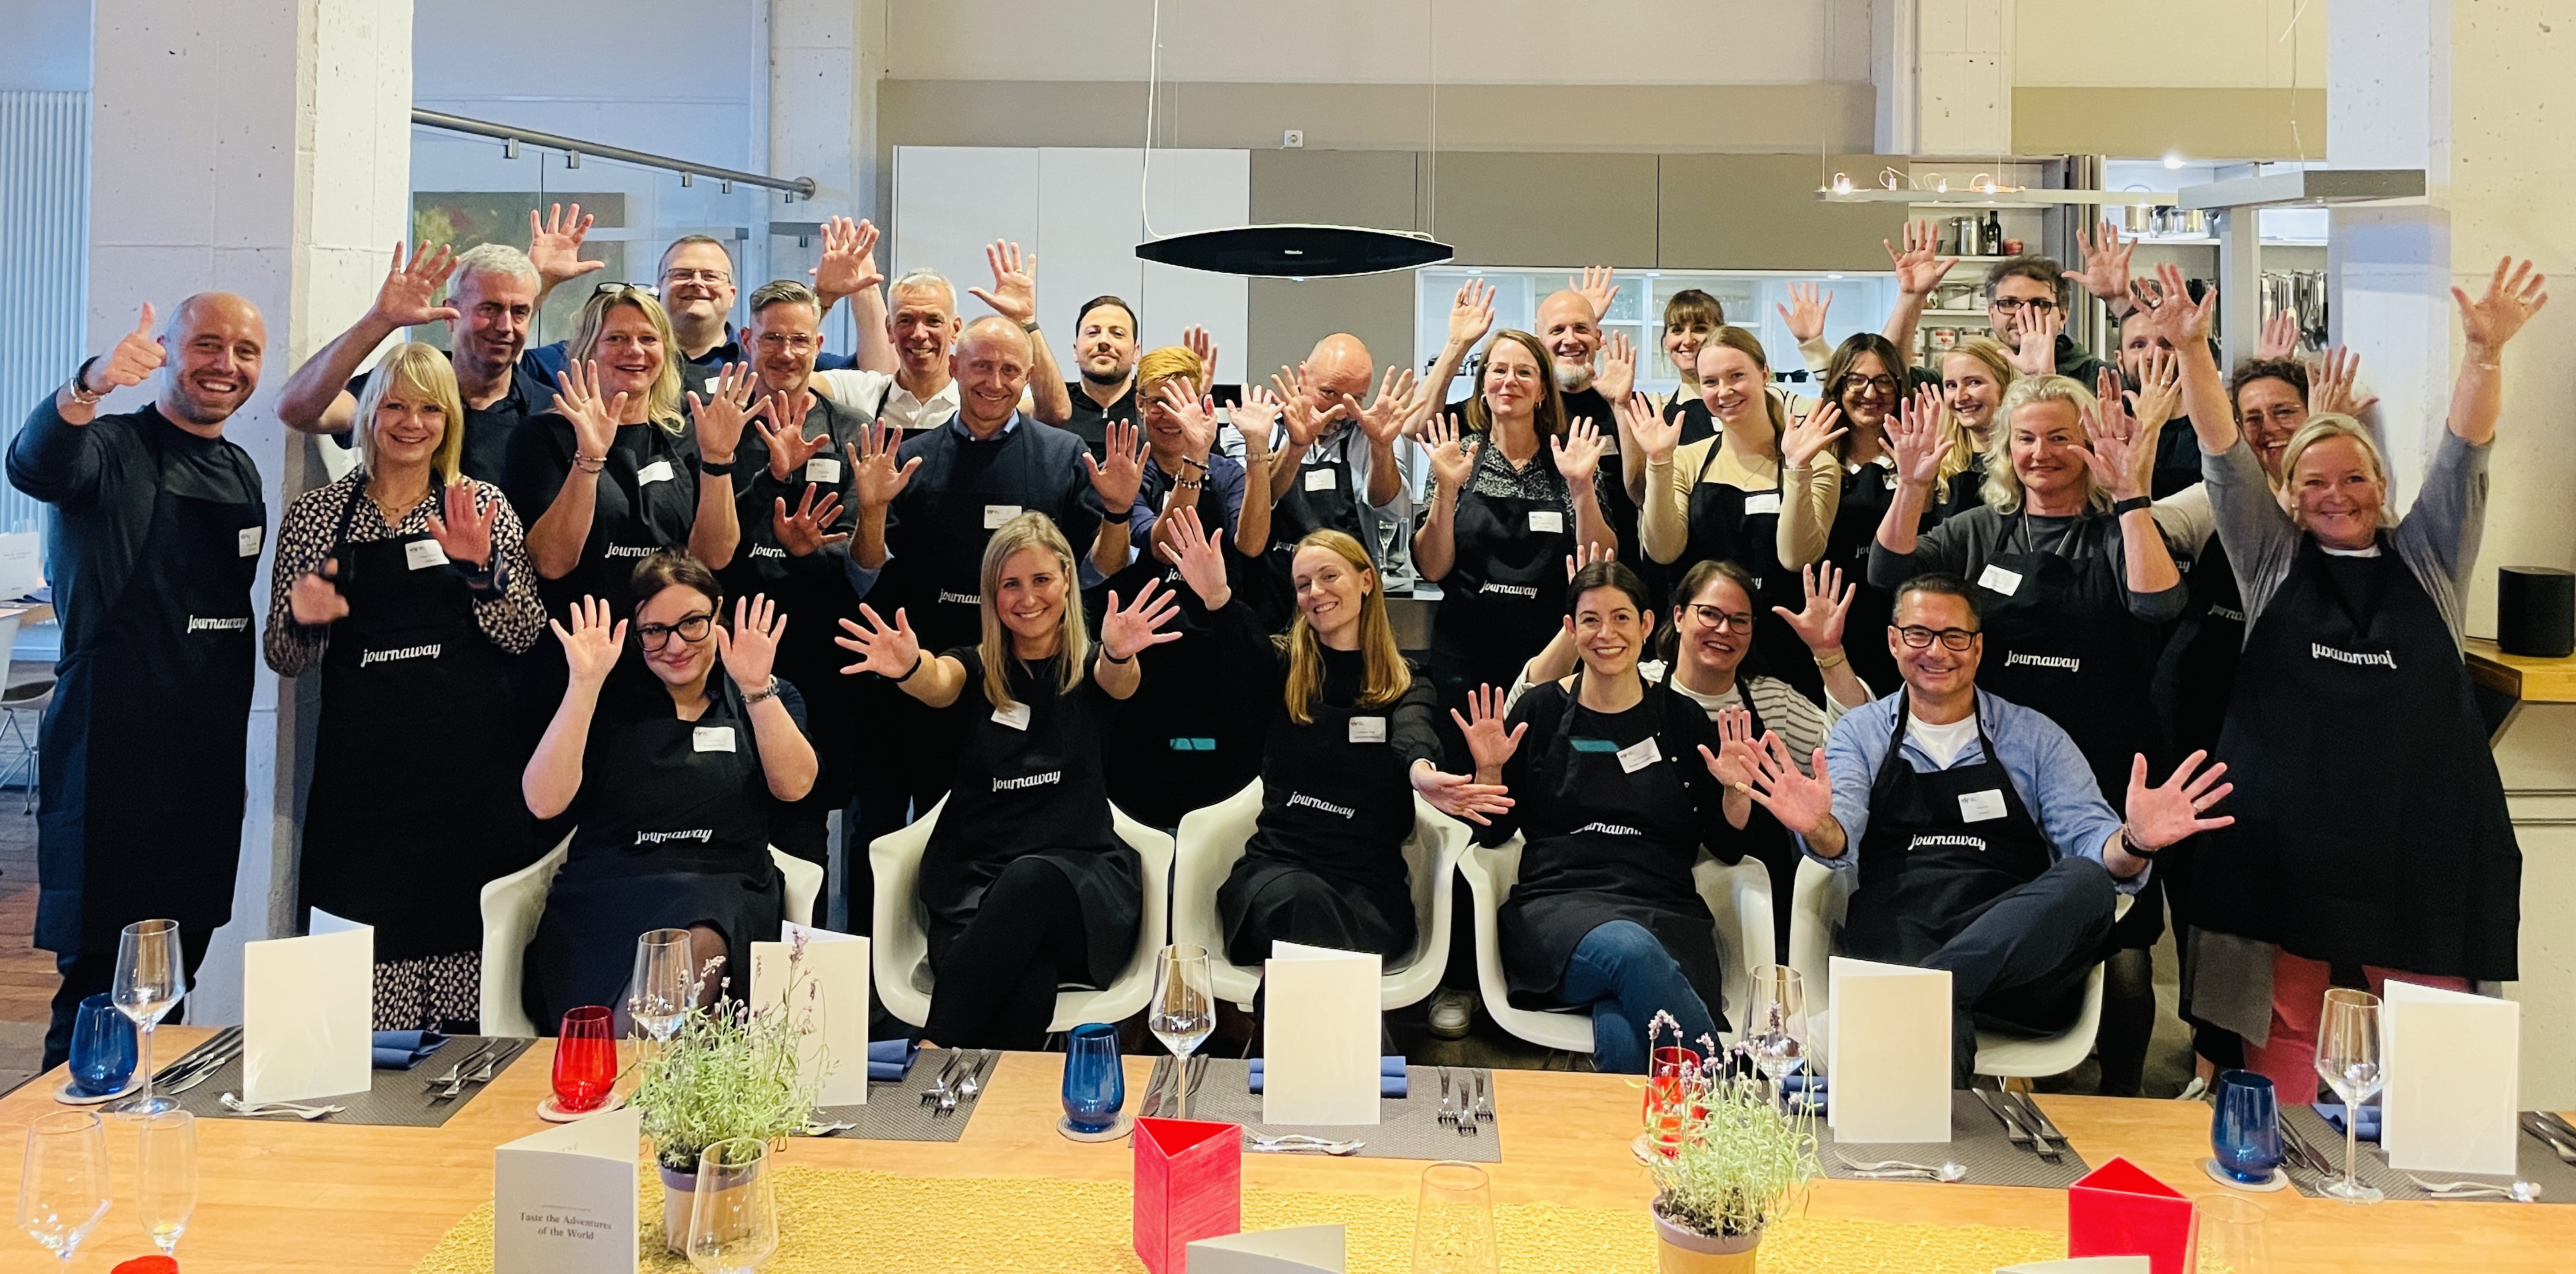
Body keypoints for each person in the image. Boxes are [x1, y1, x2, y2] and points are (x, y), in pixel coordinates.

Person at [2137, 257, 2541, 1102]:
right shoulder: (2268, 559)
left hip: (2416, 851)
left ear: (2380, 484)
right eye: (2313, 481)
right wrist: (2193, 352)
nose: (2335, 495)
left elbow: (2464, 454)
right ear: (2286, 494)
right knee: (2286, 1059)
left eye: (2353, 478)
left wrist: (2483, 354)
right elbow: (2221, 454)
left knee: (2433, 1078)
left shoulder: (2428, 559)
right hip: (2285, 852)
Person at [1740, 572, 2234, 1086]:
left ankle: (1920, 992)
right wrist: (1816, 825)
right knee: (1938, 1014)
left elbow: (2094, 841)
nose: (1936, 651)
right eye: (1918, 634)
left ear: (1977, 648)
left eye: (1954, 637)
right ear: (1893, 641)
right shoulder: (1861, 733)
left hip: (2015, 966)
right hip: (1901, 938)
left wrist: (2135, 841)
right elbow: (1839, 835)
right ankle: (1932, 998)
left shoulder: (2033, 736)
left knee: (2087, 881)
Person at [1872, 369, 2191, 1095]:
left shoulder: (2117, 530)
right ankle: (1982, 1063)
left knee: (2124, 953)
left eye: (2058, 438)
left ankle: (2120, 1102)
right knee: (2009, 922)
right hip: (1999, 766)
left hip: (2104, 765)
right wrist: (1912, 487)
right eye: (2024, 439)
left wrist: (2131, 494)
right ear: (2004, 449)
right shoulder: (1977, 531)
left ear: (2089, 444)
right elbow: (1889, 572)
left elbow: (2158, 604)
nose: (2040, 454)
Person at [11, 294, 269, 1069]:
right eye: (208, 344)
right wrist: (86, 384)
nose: (226, 364)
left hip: (203, 769)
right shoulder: (109, 448)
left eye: (246, 351)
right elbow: (33, 463)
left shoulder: (240, 467)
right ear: (167, 350)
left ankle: (146, 1117)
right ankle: (71, 1128)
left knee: (171, 979)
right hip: (112, 759)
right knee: (99, 990)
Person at [265, 344, 545, 1030]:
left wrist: (481, 571)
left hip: (467, 782)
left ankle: (456, 1092)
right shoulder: (317, 516)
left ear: (449, 420)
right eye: (394, 405)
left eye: (429, 408)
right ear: (368, 413)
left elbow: (523, 634)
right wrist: (302, 619)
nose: (411, 423)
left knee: (468, 983)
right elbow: (283, 658)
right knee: (360, 988)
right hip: (362, 787)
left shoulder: (481, 506)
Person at [835, 513, 1182, 1049]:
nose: (1027, 598)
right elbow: (937, 681)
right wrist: (907, 669)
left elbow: (1119, 681)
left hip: (1079, 887)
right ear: (991, 595)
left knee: (1030, 879)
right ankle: (983, 1103)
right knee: (1025, 985)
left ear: (1066, 580)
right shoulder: (973, 667)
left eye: (1041, 579)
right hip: (974, 884)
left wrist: (1118, 650)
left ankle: (929, 1053)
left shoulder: (1094, 666)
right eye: (1010, 584)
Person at [1164, 514, 1507, 974]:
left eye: (1329, 576)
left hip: (1367, 891)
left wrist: (1421, 773)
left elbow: (1414, 733)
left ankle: (1288, 1020)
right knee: (1300, 904)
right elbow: (1243, 651)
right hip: (1276, 873)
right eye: (1303, 584)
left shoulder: (1406, 682)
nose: (1316, 592)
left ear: (1366, 581)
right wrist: (1218, 598)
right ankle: (1347, 1021)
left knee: (1314, 925)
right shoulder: (1283, 667)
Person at [1457, 561, 1756, 1074]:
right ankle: (1729, 1094)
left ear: (1645, 625)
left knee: (1624, 1027)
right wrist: (1488, 771)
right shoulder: (1539, 712)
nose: (1606, 634)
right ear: (1571, 630)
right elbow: (1494, 835)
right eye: (1590, 620)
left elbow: (1727, 849)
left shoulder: (1682, 720)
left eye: (1620, 618)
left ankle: (1643, 1130)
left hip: (1664, 910)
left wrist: (1735, 790)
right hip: (1557, 911)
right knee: (1630, 951)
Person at [1510, 554, 1874, 960]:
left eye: (1739, 620)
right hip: (1583, 889)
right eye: (1710, 614)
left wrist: (1829, 654)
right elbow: (1531, 715)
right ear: (1678, 616)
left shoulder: (1772, 703)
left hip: (1694, 889)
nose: (1723, 629)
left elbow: (1854, 739)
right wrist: (1588, 620)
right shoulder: (1632, 679)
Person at [844, 316, 1122, 835]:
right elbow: (866, 571)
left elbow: (1096, 570)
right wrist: (872, 509)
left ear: (1028, 376)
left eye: (1010, 370)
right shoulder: (908, 458)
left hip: (1027, 685)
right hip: (922, 671)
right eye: (981, 367)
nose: (995, 382)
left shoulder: (1062, 456)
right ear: (954, 367)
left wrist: (1119, 512)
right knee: (886, 834)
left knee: (1004, 829)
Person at [520, 557, 815, 1029]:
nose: (675, 645)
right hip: (608, 890)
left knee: (698, 938)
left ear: (717, 614)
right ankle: (638, 1063)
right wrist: (583, 685)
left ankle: (626, 1064)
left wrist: (756, 687)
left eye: (692, 623)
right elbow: (543, 802)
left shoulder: (760, 692)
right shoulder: (604, 695)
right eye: (655, 631)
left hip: (725, 883)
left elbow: (795, 787)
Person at [716, 280, 871, 866]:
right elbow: (703, 545)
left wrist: (808, 552)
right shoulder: (714, 425)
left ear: (819, 345)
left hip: (818, 649)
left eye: (799, 340)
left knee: (805, 830)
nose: (786, 352)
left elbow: (859, 552)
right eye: (772, 338)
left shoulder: (852, 430)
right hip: (726, 647)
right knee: (724, 806)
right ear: (747, 339)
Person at [1087, 351, 1276, 828]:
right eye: (1157, 401)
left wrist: (1256, 451)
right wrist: (1194, 462)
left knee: (1220, 796)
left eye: (1181, 400)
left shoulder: (1227, 473)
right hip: (1145, 654)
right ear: (1139, 403)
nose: (1169, 414)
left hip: (1217, 652)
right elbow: (1160, 545)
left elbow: (1251, 543)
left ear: (1201, 403)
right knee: (1143, 793)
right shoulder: (1128, 470)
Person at [1415, 329, 1616, 731]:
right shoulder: (1456, 456)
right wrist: (1446, 490)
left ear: (1542, 391)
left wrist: (1581, 487)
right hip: (1464, 654)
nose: (1510, 381)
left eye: (1524, 372)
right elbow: (1433, 568)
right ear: (1482, 386)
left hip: (1551, 653)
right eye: (1499, 370)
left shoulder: (1568, 458)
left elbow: (1600, 563)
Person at [1630, 328, 1843, 700]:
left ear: (1764, 373)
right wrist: (1659, 461)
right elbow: (1663, 551)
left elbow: (1797, 558)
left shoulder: (1817, 463)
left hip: (1784, 650)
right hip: (1701, 651)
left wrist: (1796, 468)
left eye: (1736, 376)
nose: (1724, 391)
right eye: (1710, 382)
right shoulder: (1685, 459)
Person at [274, 239, 555, 482]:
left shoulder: (550, 410)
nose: (505, 326)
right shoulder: (404, 386)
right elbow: (296, 410)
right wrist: (380, 320)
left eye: (519, 312)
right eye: (489, 309)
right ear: (450, 315)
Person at [818, 241, 1074, 430]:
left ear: (955, 329)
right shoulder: (859, 392)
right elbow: (793, 381)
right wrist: (823, 299)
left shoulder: (984, 395)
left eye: (933, 321)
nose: (919, 334)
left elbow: (1056, 413)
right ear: (889, 330)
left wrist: (1026, 322)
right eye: (906, 320)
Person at [1257, 332, 1418, 606]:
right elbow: (1253, 507)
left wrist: (1381, 447)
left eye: (1356, 398)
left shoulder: (1373, 434)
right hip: (1272, 594)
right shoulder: (1262, 429)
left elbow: (1393, 510)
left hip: (1348, 603)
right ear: (1302, 376)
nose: (1342, 411)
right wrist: (1296, 446)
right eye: (1329, 393)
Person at [1816, 334, 1919, 698]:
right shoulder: (1815, 457)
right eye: (1856, 380)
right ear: (1837, 386)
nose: (1870, 393)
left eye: (1883, 381)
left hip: (1900, 622)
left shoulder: (1919, 457)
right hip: (1832, 622)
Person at [1060, 295, 1140, 455]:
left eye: (1117, 334)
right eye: (1092, 333)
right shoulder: (1053, 405)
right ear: (1075, 350)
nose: (1104, 342)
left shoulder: (1152, 408)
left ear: (1136, 352)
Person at [1655, 288, 1723, 446]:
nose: (1687, 340)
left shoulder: (1747, 402)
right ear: (1665, 341)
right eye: (1677, 330)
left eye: (1700, 329)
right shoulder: (1658, 410)